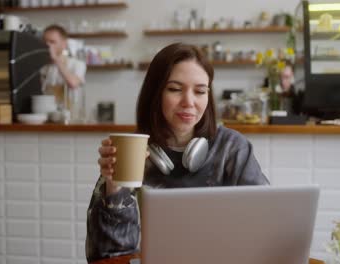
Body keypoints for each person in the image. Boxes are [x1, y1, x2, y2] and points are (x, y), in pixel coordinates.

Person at [85, 43, 269, 262]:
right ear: (156, 93)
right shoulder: (129, 149)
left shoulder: (232, 148)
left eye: (200, 91)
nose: (189, 102)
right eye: (175, 89)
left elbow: (265, 227)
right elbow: (109, 256)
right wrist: (114, 189)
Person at [40, 24, 86, 115]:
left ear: (64, 44)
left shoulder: (77, 64)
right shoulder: (41, 66)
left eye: (52, 42)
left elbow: (73, 83)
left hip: (70, 116)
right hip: (45, 115)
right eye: (45, 42)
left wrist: (56, 60)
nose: (47, 45)